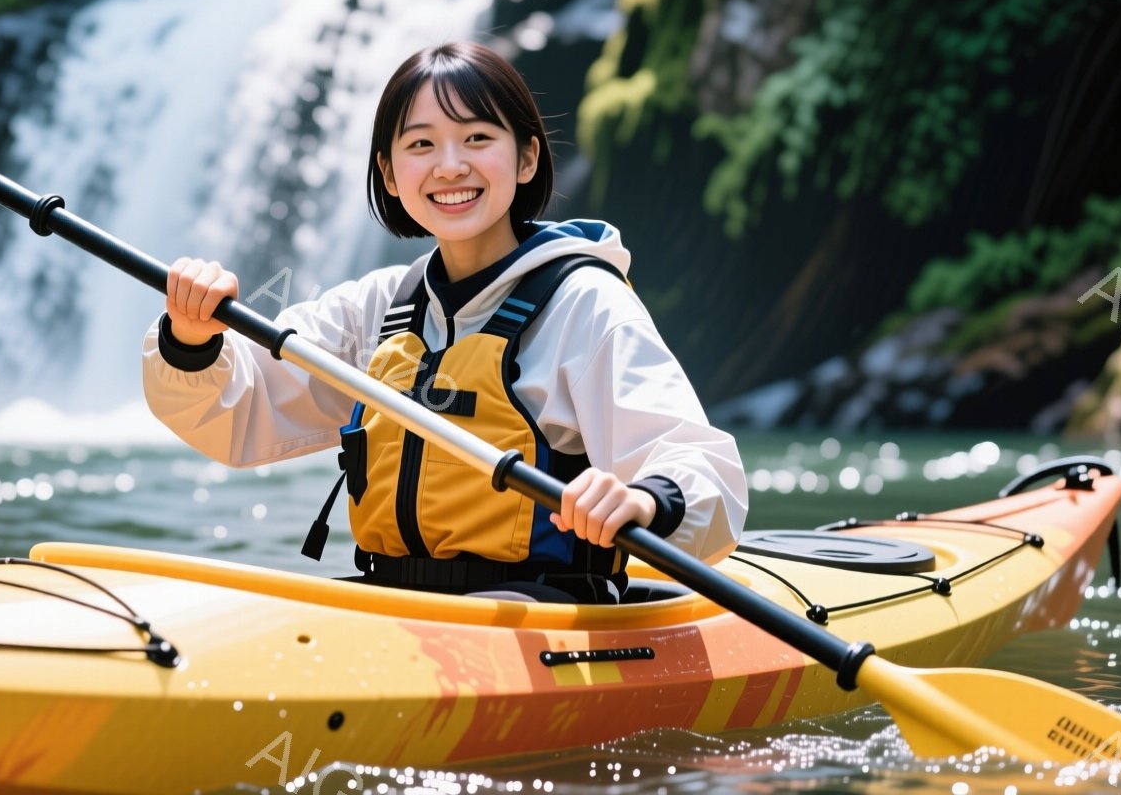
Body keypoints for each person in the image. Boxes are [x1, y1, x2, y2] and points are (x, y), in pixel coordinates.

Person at [143, 41, 746, 604]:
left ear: (528, 157)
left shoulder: (585, 302)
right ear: (388, 172)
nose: (450, 166)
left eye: (478, 137)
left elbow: (698, 466)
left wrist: (641, 498)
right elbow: (240, 410)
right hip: (390, 601)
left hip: (538, 613)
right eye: (421, 145)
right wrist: (191, 338)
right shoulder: (379, 307)